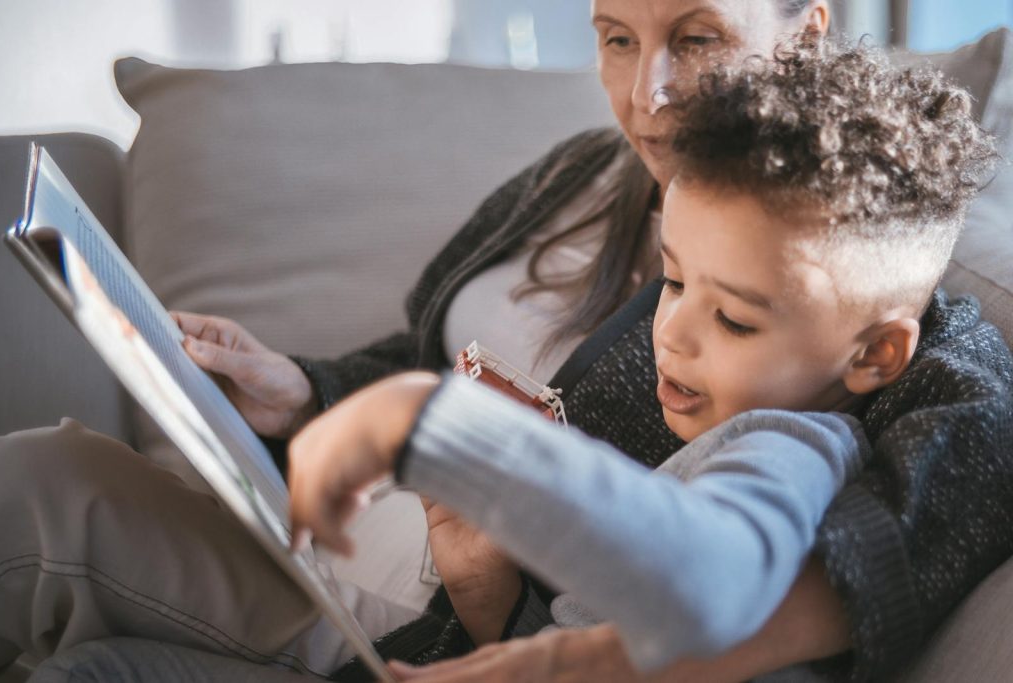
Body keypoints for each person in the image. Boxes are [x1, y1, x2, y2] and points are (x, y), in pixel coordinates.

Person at [0, 0, 1011, 681]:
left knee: (43, 490)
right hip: (395, 517)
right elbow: (422, 347)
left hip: (416, 573)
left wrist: (433, 434)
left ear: (803, 36)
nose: (645, 93)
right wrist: (300, 389)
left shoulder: (817, 387)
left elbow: (753, 557)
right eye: (615, 36)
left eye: (695, 38)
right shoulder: (589, 177)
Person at [286, 37, 1002, 680]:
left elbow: (709, 583)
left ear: (876, 355)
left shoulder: (793, 443)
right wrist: (492, 603)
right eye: (675, 282)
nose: (673, 334)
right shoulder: (721, 436)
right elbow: (600, 641)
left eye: (733, 318)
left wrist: (429, 419)